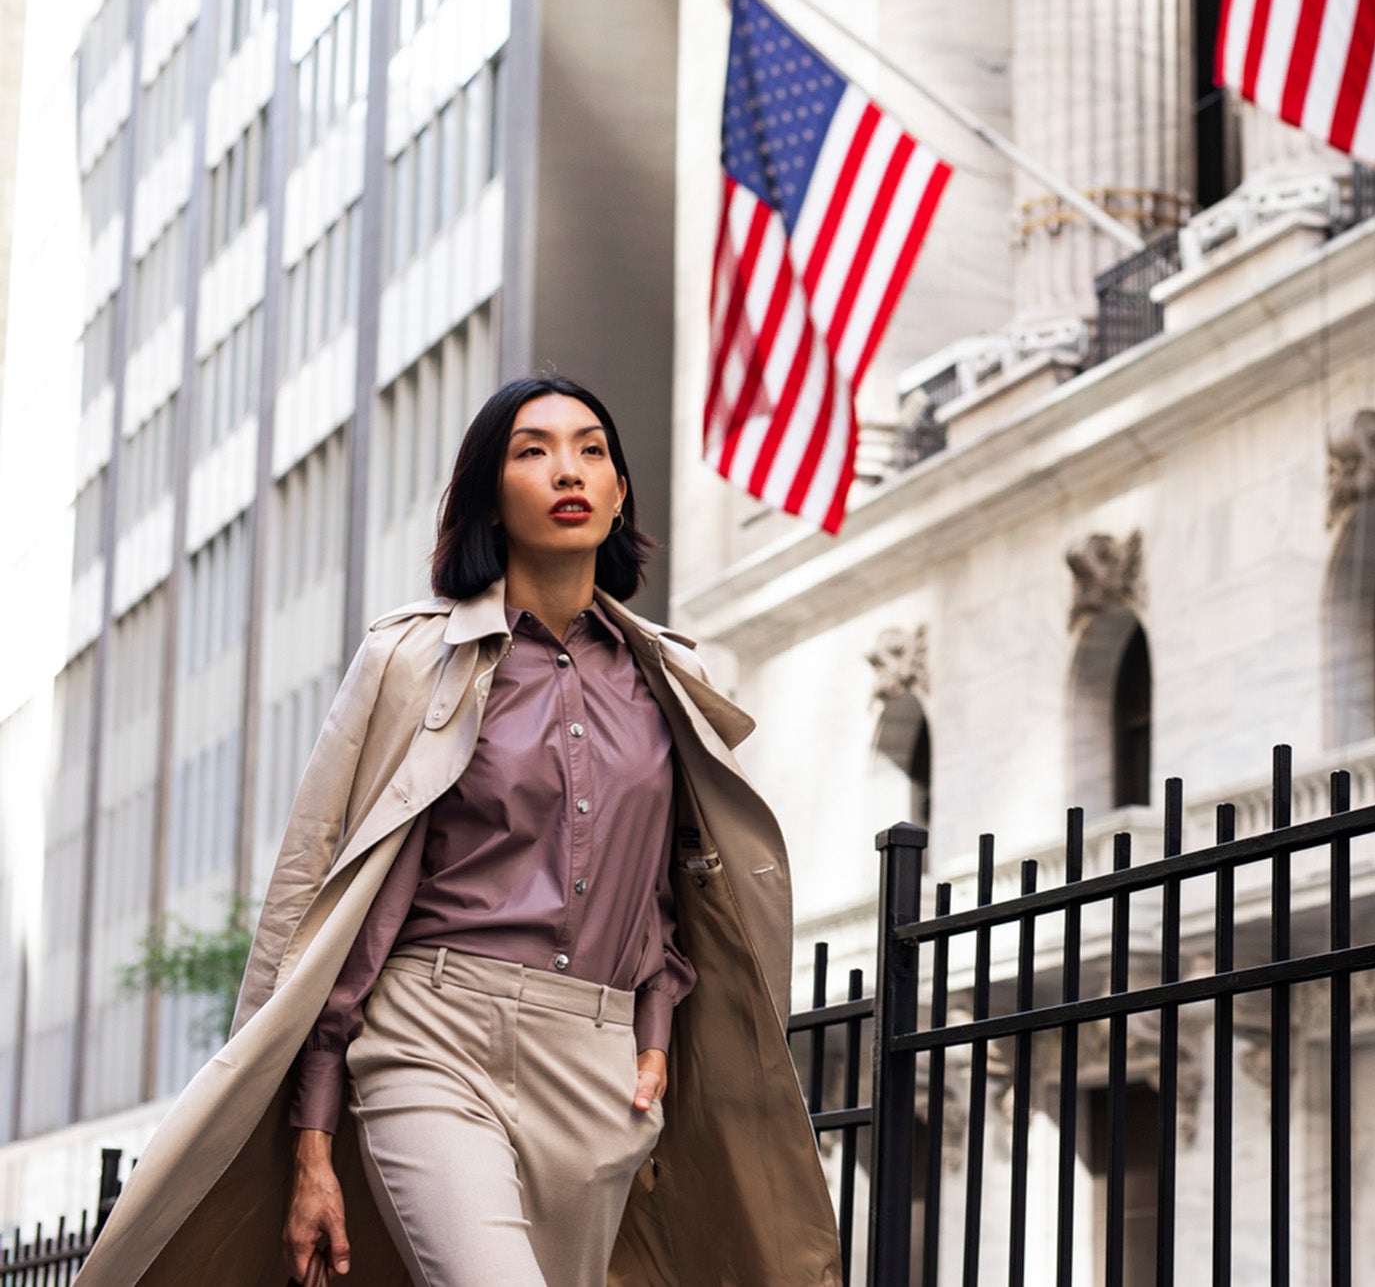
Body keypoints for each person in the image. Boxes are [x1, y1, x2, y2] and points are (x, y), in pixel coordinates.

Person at [71, 377, 844, 1286]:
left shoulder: (665, 678)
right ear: (489, 491)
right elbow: (316, 893)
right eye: (533, 450)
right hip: (431, 1037)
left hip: (599, 1071)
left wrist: (656, 1035)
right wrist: (311, 1140)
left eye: (592, 450)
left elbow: (670, 892)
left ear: (620, 490)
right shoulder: (407, 659)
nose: (569, 470)